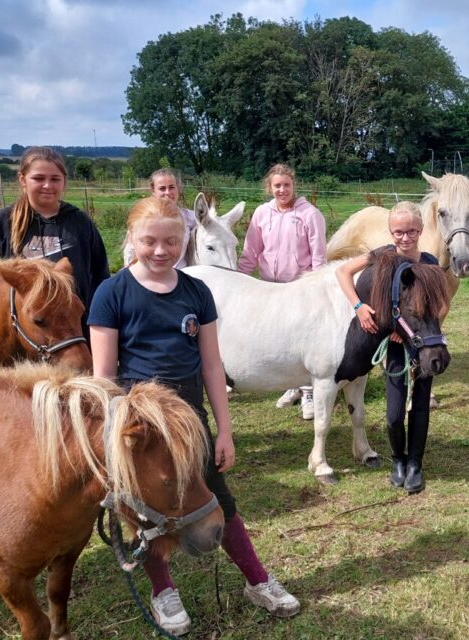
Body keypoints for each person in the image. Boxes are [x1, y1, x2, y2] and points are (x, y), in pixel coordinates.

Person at [89, 196, 299, 635]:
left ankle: (257, 578)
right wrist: (114, 440)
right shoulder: (112, 293)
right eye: (149, 241)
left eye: (171, 240)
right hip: (140, 426)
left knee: (218, 498)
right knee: (145, 509)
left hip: (189, 421)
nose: (161, 250)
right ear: (131, 239)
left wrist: (224, 431)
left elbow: (211, 366)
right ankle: (163, 589)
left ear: (185, 238)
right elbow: (104, 377)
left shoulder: (196, 292)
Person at [0, 146, 109, 353]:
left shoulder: (80, 223)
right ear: (22, 180)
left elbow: (101, 277)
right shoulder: (5, 221)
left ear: (64, 181)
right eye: (38, 178)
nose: (47, 185)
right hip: (24, 337)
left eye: (55, 179)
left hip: (73, 335)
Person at [336, 201, 447, 494]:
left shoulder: (430, 263)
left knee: (420, 405)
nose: (405, 237)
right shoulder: (382, 256)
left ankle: (415, 465)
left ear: (421, 230)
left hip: (423, 344)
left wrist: (421, 332)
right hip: (395, 344)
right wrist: (359, 307)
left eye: (411, 231)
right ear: (391, 232)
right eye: (399, 231)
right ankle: (398, 459)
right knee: (394, 412)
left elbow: (442, 305)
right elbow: (343, 273)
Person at [239, 163, 327, 420]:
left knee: (304, 341)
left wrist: (317, 287)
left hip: (299, 288)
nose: (282, 190)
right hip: (269, 287)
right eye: (277, 185)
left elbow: (319, 256)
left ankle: (309, 392)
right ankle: (292, 387)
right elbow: (250, 250)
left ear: (293, 185)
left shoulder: (310, 214)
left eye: (286, 185)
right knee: (281, 341)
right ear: (270, 187)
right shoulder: (261, 213)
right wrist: (238, 279)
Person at [122, 169, 197, 269]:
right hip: (150, 277)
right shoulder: (144, 217)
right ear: (153, 190)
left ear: (178, 189)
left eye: (171, 187)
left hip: (179, 277)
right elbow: (130, 250)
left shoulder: (189, 217)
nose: (168, 192)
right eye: (162, 188)